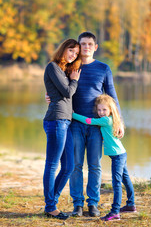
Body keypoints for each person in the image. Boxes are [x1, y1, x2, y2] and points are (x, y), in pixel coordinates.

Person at [45, 31, 124, 217]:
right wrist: (48, 96)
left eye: (90, 44)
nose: (86, 47)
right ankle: (78, 204)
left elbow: (112, 95)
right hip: (74, 123)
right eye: (83, 44)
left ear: (95, 47)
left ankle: (93, 203)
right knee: (76, 165)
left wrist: (119, 121)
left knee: (95, 165)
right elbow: (56, 85)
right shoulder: (71, 66)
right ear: (79, 48)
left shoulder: (103, 68)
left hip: (98, 125)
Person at [72, 94, 136, 221]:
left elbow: (88, 121)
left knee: (116, 183)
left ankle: (115, 211)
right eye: (99, 110)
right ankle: (131, 204)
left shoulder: (106, 120)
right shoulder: (112, 119)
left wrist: (73, 114)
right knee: (125, 178)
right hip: (121, 153)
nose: (101, 113)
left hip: (117, 156)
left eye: (104, 110)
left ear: (111, 109)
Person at [43, 39, 81, 220]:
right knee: (52, 165)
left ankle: (52, 202)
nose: (73, 54)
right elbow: (67, 92)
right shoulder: (52, 67)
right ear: (63, 48)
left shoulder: (64, 71)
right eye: (71, 50)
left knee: (68, 166)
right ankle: (51, 207)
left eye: (76, 53)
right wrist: (74, 81)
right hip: (56, 121)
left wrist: (71, 79)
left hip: (66, 122)